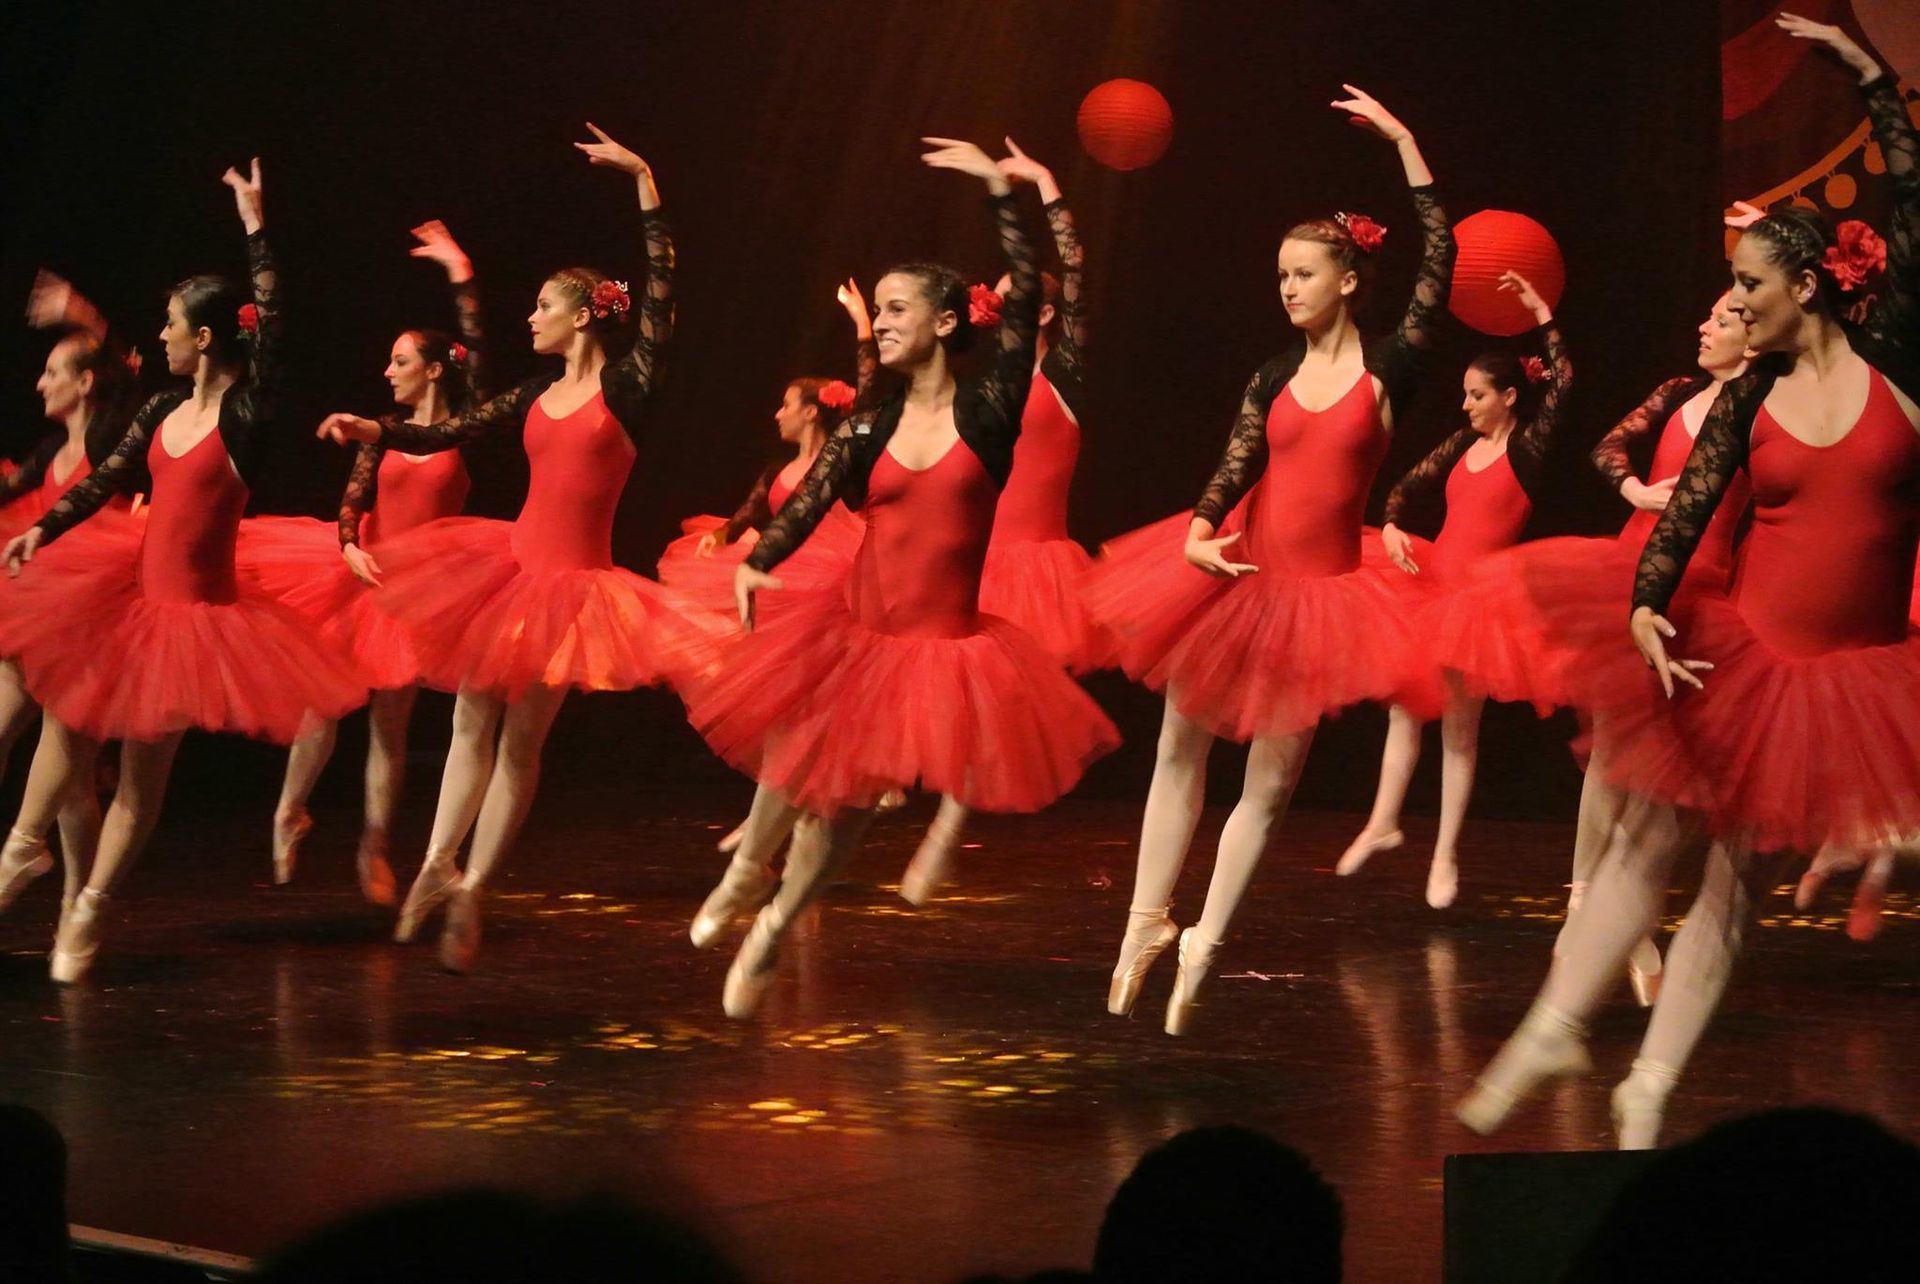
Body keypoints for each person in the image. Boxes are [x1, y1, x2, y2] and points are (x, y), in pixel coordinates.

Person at [1458, 14, 1920, 1148]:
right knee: (1652, 841)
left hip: (1857, 677)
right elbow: (1687, 516)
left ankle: (1651, 1086)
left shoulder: (1896, 357)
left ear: (1807, 283)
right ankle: (1554, 1026)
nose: (1738, 302)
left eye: (1751, 283)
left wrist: (1868, 74)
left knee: (1736, 886)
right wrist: (1646, 606)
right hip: (1751, 659)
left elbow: (1912, 194)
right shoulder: (1747, 398)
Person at [685, 136, 1119, 1018]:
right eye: (876, 311)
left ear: (947, 323)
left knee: (844, 812)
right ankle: (744, 873)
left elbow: (1029, 297)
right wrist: (759, 562)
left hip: (937, 647)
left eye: (895, 309)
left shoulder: (990, 411)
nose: (880, 323)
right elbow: (809, 500)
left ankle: (775, 926)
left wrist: (1000, 194)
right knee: (796, 764)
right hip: (856, 632)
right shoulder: (868, 426)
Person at [1085, 84, 1453, 1034]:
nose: (1287, 287)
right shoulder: (1274, 372)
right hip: (1237, 582)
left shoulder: (1388, 367)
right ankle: (1142, 926)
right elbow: (1237, 459)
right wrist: (1200, 528)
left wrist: (1404, 142)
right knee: (1178, 751)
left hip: (1320, 601)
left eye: (1303, 274)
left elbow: (1440, 262)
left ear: (1348, 281)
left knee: (1271, 784)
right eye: (1281, 274)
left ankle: (1205, 940)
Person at [317, 126, 719, 974]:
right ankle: (436, 864)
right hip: (507, 572)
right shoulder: (536, 392)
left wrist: (645, 179)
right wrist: (373, 428)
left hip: (575, 590)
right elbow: (448, 429)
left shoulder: (627, 386)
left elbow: (663, 290)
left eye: (543, 306)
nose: (530, 316)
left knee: (520, 742)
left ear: (583, 315)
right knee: (470, 720)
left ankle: (473, 887)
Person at [0, 159, 366, 982]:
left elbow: (273, 325)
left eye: (170, 324)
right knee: (67, 715)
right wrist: (45, 530)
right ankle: (21, 850)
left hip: (194, 618)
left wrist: (255, 224)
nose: (159, 335)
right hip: (130, 597)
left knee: (141, 774)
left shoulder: (244, 414)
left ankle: (90, 907)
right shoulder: (165, 408)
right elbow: (105, 475)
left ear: (203, 339)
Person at [244, 219, 486, 900]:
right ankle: (288, 812)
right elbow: (352, 499)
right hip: (362, 577)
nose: (387, 371)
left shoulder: (463, 428)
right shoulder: (383, 434)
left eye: (400, 361)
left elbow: (478, 348)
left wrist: (460, 271)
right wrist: (348, 544)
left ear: (434, 370)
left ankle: (375, 845)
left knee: (390, 725)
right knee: (322, 702)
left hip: (422, 595)